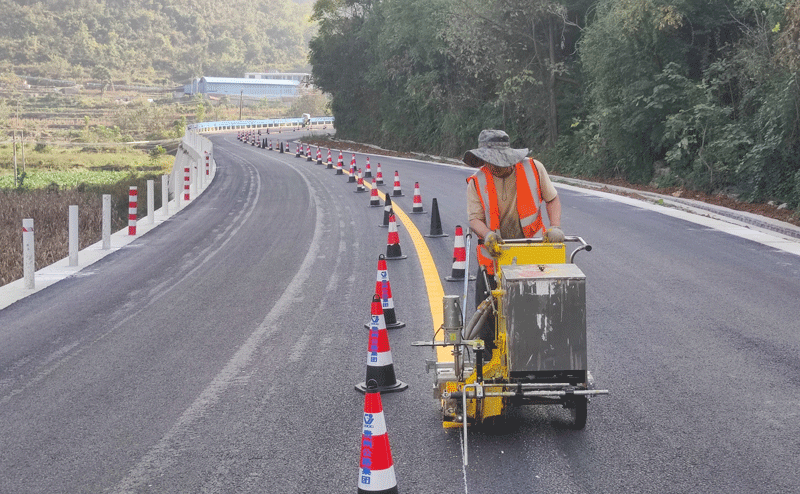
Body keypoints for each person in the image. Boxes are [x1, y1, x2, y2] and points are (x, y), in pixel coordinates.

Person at [464, 129, 564, 358]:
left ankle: (540, 360)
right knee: (488, 316)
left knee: (540, 311)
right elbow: (474, 219)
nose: (495, 166)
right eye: (489, 162)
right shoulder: (477, 182)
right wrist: (487, 234)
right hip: (495, 258)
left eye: (499, 161)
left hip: (532, 254)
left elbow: (552, 199)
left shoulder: (533, 169)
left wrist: (555, 226)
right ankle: (491, 367)